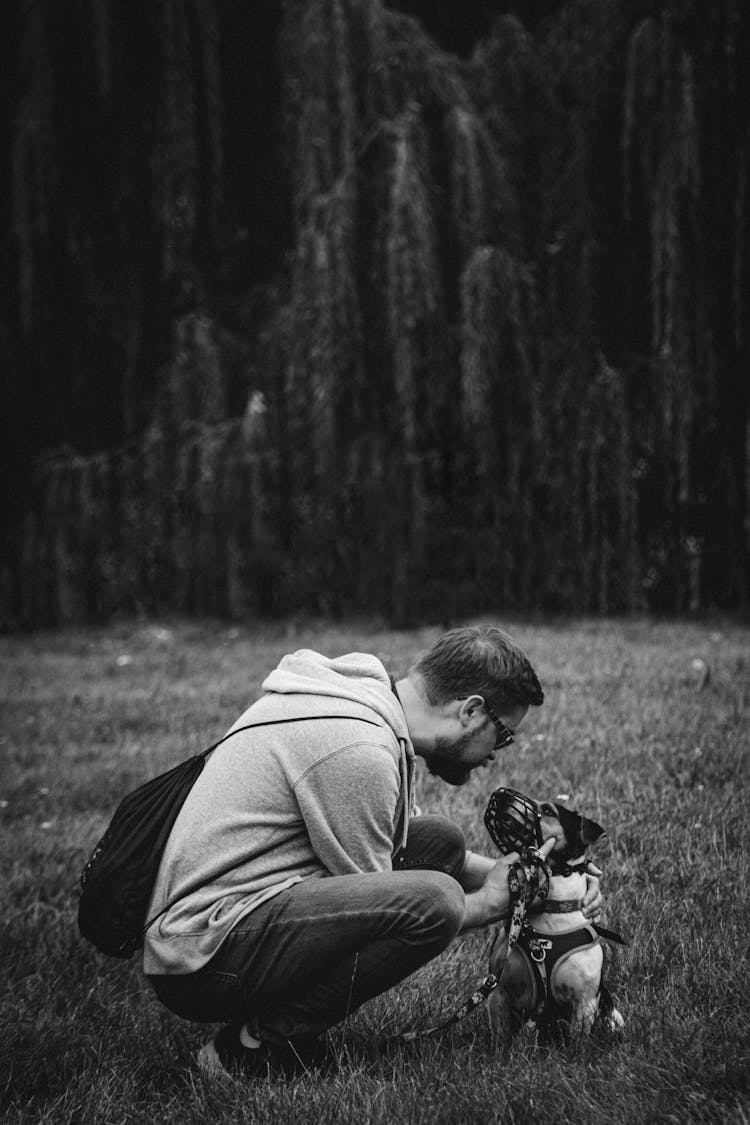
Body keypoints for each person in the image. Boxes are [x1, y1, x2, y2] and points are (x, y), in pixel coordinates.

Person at [145, 624, 602, 1076]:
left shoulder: (368, 702)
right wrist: (488, 904)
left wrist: (543, 884)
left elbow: (405, 856)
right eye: (501, 735)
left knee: (441, 842)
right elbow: (392, 905)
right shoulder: (360, 749)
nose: (495, 755)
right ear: (471, 711)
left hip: (230, 914)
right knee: (436, 903)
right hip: (202, 956)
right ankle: (251, 1047)